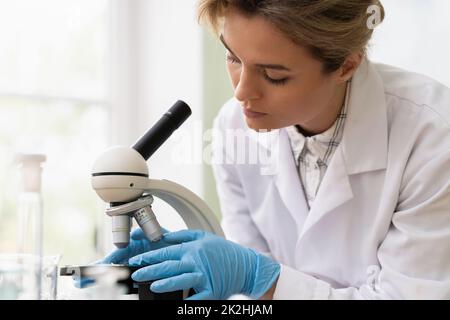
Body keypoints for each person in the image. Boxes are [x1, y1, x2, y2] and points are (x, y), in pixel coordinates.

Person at [102, 0, 450, 299]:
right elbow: (248, 294)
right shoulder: (232, 127)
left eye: (273, 75)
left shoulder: (431, 134)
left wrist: (260, 277)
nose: (241, 93)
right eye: (233, 57)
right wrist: (198, 275)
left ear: (346, 64)